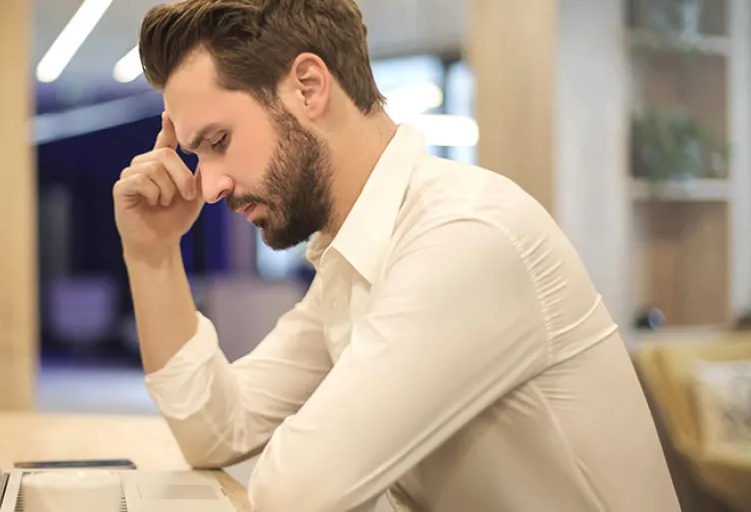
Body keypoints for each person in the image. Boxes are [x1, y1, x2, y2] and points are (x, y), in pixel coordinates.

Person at [111, 0, 681, 510]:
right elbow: (217, 430)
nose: (208, 186)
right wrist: (153, 254)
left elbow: (297, 493)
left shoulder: (465, 237)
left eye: (218, 142)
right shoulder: (353, 257)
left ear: (308, 87)